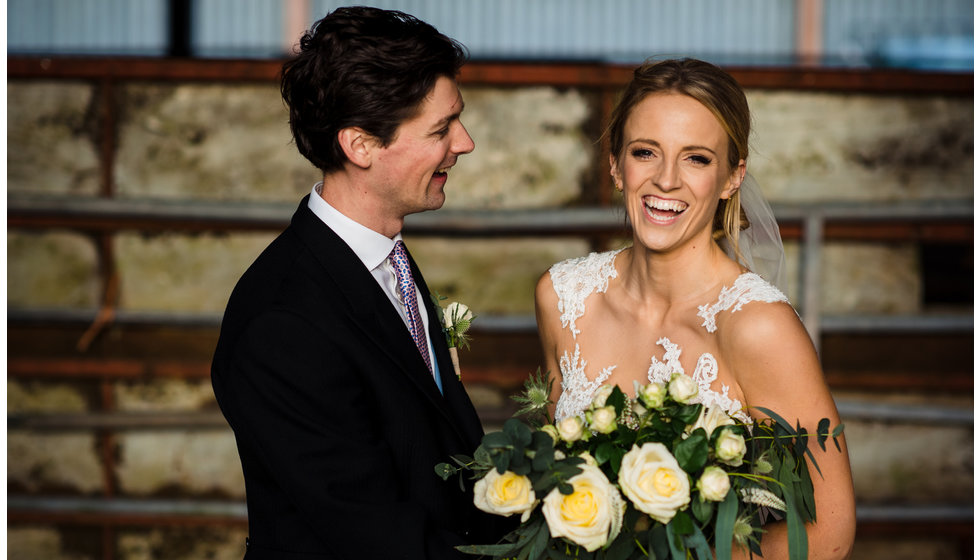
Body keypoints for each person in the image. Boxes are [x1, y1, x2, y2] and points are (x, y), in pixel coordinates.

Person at [211, 7, 505, 558]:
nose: (464, 143)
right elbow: (372, 534)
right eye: (441, 129)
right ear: (361, 145)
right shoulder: (284, 322)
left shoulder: (382, 257)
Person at [534, 58, 855, 559]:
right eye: (645, 152)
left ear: (732, 177)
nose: (666, 180)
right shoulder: (562, 296)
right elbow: (556, 480)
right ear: (616, 164)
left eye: (697, 159)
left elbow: (829, 531)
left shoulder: (758, 326)